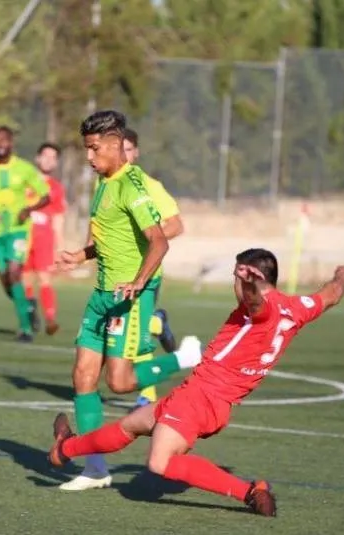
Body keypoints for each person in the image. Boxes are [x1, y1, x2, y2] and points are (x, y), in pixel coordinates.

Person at [49, 249, 344, 515]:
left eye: (236, 279)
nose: (234, 285)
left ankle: (250, 491)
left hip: (201, 397)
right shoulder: (298, 308)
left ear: (250, 278)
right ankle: (66, 448)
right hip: (211, 400)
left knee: (160, 463)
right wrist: (342, 275)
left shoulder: (259, 309)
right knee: (132, 424)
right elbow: (331, 294)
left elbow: (256, 302)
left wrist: (249, 281)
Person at [54, 110, 202, 491]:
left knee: (119, 382)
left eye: (94, 148)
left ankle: (182, 359)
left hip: (126, 298)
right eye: (86, 149)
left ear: (116, 144)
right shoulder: (103, 181)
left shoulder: (133, 186)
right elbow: (111, 239)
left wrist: (138, 282)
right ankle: (95, 468)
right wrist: (80, 256)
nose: (89, 157)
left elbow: (160, 239)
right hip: (102, 295)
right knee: (83, 376)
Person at [0, 126, 50, 342]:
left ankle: (25, 330)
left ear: (11, 143)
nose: (1, 144)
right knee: (6, 280)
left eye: (5, 140)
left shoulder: (24, 169)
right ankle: (28, 306)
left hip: (19, 231)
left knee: (15, 273)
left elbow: (45, 196)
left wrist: (27, 210)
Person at [122, 128, 182, 410]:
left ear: (136, 152)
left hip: (145, 274)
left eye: (128, 149)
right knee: (123, 330)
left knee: (136, 336)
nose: (122, 154)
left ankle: (147, 396)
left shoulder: (150, 186)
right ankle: (158, 322)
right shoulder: (105, 184)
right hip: (115, 273)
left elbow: (176, 225)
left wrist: (149, 238)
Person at [23, 142, 67, 336]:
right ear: (37, 158)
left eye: (53, 157)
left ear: (56, 163)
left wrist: (59, 247)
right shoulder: (25, 182)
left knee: (45, 278)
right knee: (24, 280)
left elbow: (58, 218)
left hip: (44, 239)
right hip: (23, 237)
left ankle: (50, 318)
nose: (48, 160)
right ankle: (30, 314)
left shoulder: (56, 188)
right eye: (45, 156)